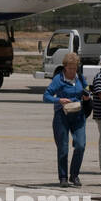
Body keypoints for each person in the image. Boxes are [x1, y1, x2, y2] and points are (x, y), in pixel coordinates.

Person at [42, 51, 89, 187]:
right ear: (65, 67)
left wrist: (87, 95)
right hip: (62, 116)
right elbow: (46, 96)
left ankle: (74, 175)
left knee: (80, 145)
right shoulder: (58, 79)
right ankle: (63, 177)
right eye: (70, 68)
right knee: (63, 147)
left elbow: (86, 89)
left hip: (78, 115)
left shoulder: (79, 78)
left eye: (75, 68)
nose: (73, 71)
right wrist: (59, 100)